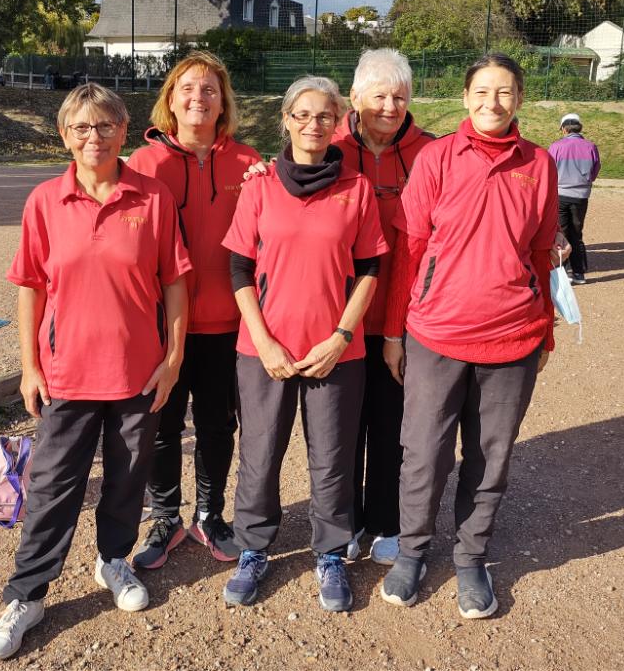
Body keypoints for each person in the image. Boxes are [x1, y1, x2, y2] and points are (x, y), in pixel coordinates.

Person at [0, 83, 192, 662]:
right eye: (81, 127)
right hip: (65, 373)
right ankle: (26, 596)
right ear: (64, 136)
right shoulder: (45, 201)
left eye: (104, 126)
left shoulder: (152, 197)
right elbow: (30, 286)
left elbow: (175, 282)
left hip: (137, 372)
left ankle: (114, 560)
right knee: (53, 486)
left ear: (123, 131)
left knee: (127, 478)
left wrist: (172, 360)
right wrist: (29, 366)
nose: (93, 137)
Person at [379, 53, 559, 619]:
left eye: (504, 92)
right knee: (423, 454)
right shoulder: (436, 158)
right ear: (465, 97)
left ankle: (471, 557)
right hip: (436, 333)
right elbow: (409, 250)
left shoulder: (539, 164)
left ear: (520, 99)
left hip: (512, 336)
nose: (492, 102)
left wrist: (547, 330)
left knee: (490, 456)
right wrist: (393, 332)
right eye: (482, 91)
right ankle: (412, 551)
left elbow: (541, 252)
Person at [221, 75, 388, 613]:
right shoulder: (260, 185)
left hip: (335, 352)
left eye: (324, 116)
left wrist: (341, 337)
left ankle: (331, 552)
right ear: (286, 120)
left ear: (337, 122)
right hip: (264, 350)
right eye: (303, 114)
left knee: (333, 458)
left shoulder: (356, 189)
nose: (313, 125)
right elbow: (239, 268)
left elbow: (370, 268)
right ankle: (253, 548)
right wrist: (264, 341)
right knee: (259, 452)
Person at [127, 51, 262, 569]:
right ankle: (166, 516)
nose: (198, 97)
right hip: (162, 324)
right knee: (162, 425)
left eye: (209, 89)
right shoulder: (145, 164)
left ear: (223, 101)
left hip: (228, 323)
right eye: (187, 88)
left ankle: (210, 513)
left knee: (217, 425)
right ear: (171, 99)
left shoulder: (249, 163)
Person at [333, 48, 434, 567]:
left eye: (399, 97)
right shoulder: (327, 148)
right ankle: (345, 520)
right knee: (342, 427)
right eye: (379, 96)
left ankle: (387, 520)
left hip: (406, 315)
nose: (390, 107)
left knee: (395, 424)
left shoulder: (432, 153)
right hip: (341, 317)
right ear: (355, 97)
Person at [548, 113, 601, 284]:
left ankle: (562, 272)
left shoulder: (556, 146)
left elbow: (548, 170)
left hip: (560, 195)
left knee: (561, 232)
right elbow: (595, 171)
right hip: (581, 196)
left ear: (564, 129)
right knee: (576, 233)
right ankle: (579, 273)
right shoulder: (591, 146)